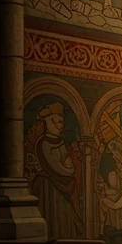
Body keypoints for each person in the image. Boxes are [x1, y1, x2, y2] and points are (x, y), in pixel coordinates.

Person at [24, 101, 83, 237]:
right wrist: (68, 165)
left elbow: (69, 167)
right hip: (48, 188)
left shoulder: (60, 142)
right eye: (58, 122)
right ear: (49, 121)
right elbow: (60, 169)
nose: (61, 126)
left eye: (62, 122)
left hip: (62, 190)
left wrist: (70, 165)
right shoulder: (43, 143)